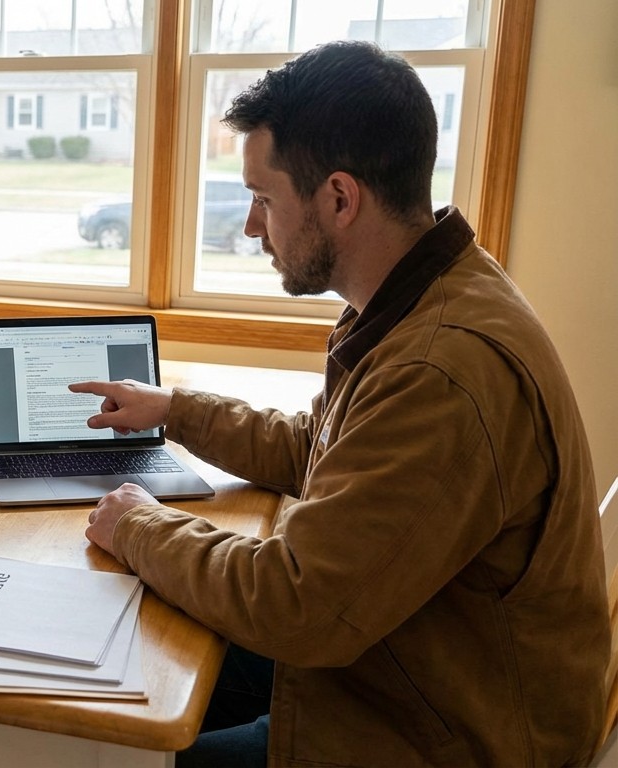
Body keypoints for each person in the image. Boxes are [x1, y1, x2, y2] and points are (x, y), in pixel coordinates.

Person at [70, 41, 606, 767]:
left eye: (263, 199)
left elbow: (294, 607)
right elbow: (315, 449)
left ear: (340, 199)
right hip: (405, 662)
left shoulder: (439, 370)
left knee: (105, 737)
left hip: (436, 733)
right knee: (127, 656)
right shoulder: (425, 293)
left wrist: (138, 527)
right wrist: (174, 409)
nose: (253, 227)